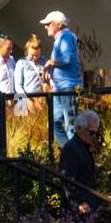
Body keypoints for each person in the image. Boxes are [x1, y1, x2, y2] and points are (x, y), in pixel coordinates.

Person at [39, 11, 81, 147]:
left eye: (48, 23)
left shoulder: (65, 37)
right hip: (60, 87)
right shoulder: (62, 38)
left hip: (66, 86)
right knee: (53, 123)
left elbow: (67, 58)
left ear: (58, 24)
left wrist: (51, 63)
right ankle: (70, 152)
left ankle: (74, 157)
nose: (45, 27)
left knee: (71, 125)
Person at [58, 110, 100, 217]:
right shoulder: (72, 149)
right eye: (91, 132)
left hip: (86, 207)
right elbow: (67, 179)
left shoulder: (82, 147)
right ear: (79, 128)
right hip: (77, 210)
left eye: (96, 132)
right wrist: (78, 202)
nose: (94, 136)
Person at [13, 34, 45, 106]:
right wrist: (26, 100)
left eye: (38, 55)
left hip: (40, 100)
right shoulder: (21, 63)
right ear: (27, 51)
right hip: (24, 99)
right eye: (32, 55)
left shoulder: (44, 61)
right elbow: (18, 85)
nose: (35, 57)